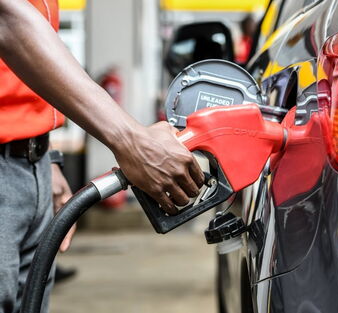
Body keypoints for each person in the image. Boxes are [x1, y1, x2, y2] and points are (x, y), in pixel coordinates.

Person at [0, 1, 204, 313]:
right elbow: (7, 19)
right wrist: (131, 140)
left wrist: (44, 155)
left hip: (31, 164)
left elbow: (26, 63)